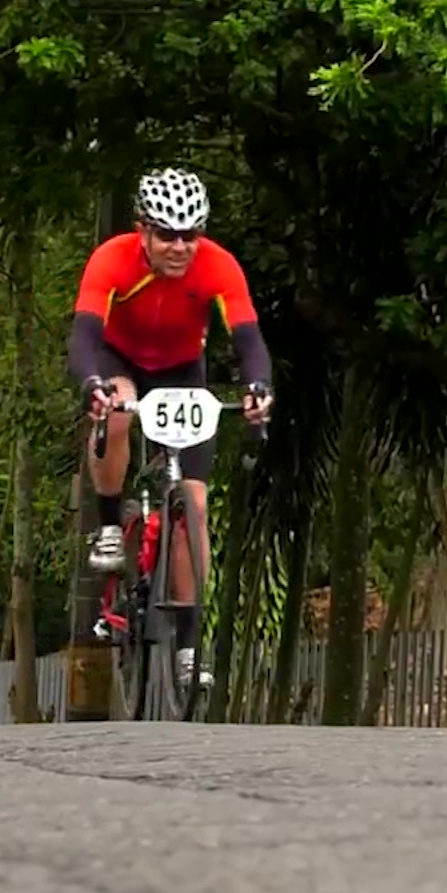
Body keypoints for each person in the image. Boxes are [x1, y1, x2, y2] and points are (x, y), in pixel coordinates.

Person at [67, 167, 274, 684]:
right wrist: (92, 382)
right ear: (143, 230)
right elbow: (85, 335)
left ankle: (188, 645)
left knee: (194, 504)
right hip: (120, 358)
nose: (180, 247)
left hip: (182, 371)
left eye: (190, 235)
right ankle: (112, 523)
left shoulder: (218, 267)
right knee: (115, 409)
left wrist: (258, 389)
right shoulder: (111, 259)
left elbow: (249, 340)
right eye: (167, 235)